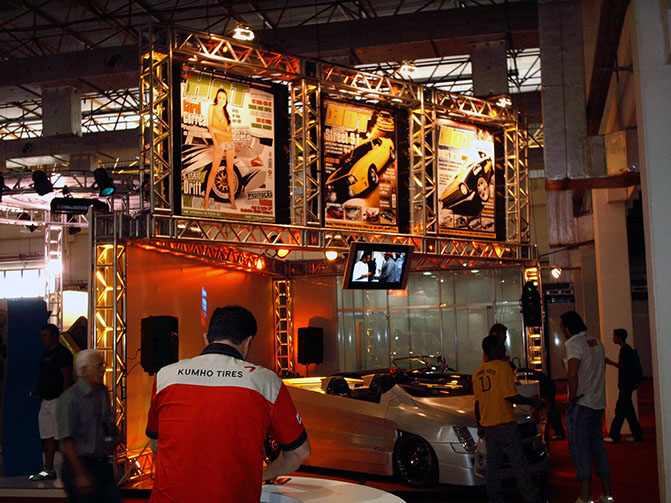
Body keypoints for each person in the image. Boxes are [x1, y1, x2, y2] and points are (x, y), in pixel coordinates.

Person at [146, 306, 310, 503]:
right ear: (247, 342)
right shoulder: (266, 382)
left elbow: (156, 442)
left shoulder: (165, 376)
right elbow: (300, 452)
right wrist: (263, 473)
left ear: (206, 338)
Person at [474, 335, 546, 503]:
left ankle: (495, 498)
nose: (504, 348)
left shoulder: (477, 372)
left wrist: (479, 424)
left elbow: (477, 402)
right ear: (493, 350)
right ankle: (531, 498)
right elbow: (510, 396)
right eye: (501, 345)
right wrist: (533, 401)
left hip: (488, 426)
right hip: (505, 424)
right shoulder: (503, 368)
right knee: (519, 464)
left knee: (492, 467)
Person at [560, 311, 613, 503]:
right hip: (597, 404)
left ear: (567, 327)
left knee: (579, 450)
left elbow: (573, 373)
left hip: (581, 404)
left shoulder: (573, 344)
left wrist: (572, 398)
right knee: (598, 448)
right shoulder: (597, 342)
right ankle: (607, 494)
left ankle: (585, 497)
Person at [56, 349, 120, 503]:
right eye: (98, 366)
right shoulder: (70, 398)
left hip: (102, 464)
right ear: (84, 370)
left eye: (103, 366)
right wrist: (80, 474)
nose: (103, 370)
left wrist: (112, 439)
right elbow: (66, 441)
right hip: (80, 465)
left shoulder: (103, 391)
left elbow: (105, 423)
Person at [29, 323, 73, 481]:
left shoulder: (63, 354)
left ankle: (72, 469)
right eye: (42, 336)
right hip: (45, 401)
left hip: (58, 400)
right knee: (47, 435)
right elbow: (45, 377)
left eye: (45, 335)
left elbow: (67, 377)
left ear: (55, 336)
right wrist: (38, 391)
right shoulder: (45, 355)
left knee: (63, 436)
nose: (42, 339)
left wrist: (65, 400)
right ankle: (48, 469)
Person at [605, 328, 644, 443]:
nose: (613, 338)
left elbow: (625, 367)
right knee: (628, 412)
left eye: (614, 336)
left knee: (620, 411)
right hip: (627, 385)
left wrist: (611, 363)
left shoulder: (625, 351)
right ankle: (637, 435)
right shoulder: (627, 349)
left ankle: (614, 435)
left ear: (619, 337)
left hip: (626, 385)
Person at [204, 88, 237, 211]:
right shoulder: (212, 108)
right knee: (214, 170)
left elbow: (229, 133)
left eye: (224, 98)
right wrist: (216, 144)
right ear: (216, 98)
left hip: (229, 143)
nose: (222, 100)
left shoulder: (226, 113)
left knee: (230, 171)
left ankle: (232, 199)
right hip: (219, 143)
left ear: (226, 99)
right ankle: (206, 198)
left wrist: (218, 130)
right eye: (220, 97)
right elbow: (210, 127)